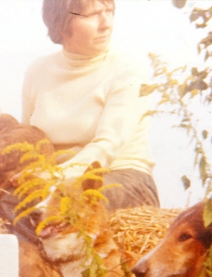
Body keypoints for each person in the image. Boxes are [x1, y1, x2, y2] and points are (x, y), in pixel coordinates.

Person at [23, 0, 159, 212]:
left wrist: (55, 178)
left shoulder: (127, 72)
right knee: (6, 200)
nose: (106, 24)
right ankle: (30, 246)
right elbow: (27, 140)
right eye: (93, 15)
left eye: (109, 11)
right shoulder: (37, 71)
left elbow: (108, 146)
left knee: (76, 202)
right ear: (62, 24)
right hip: (56, 183)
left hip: (120, 178)